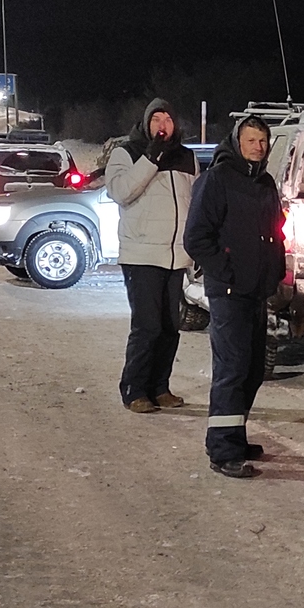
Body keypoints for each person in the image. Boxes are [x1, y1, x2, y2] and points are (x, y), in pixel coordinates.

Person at [182, 116, 285, 479]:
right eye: (251, 140)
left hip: (257, 290)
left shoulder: (265, 183)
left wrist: (276, 269)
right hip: (228, 291)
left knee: (253, 368)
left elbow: (275, 231)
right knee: (232, 367)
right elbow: (196, 237)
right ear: (236, 143)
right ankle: (222, 450)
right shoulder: (217, 179)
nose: (258, 146)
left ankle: (235, 434)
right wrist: (224, 270)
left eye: (263, 141)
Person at [107, 98, 198, 414]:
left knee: (170, 328)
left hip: (175, 256)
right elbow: (120, 192)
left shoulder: (187, 158)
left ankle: (160, 388)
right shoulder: (127, 153)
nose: (162, 125)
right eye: (156, 119)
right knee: (147, 327)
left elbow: (194, 204)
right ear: (146, 124)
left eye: (168, 120)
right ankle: (134, 389)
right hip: (141, 254)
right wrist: (150, 159)